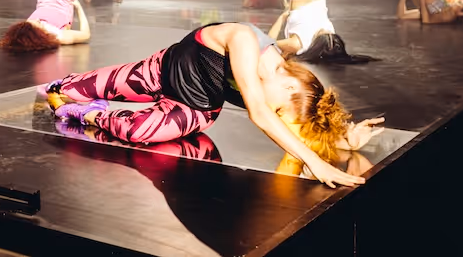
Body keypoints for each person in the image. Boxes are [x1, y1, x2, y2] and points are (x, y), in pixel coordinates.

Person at [45, 20, 383, 188]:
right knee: (69, 87)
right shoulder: (245, 41)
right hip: (162, 71)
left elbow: (295, 128)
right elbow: (260, 114)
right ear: (289, 84)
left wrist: (344, 140)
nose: (276, 115)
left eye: (280, 113)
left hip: (195, 108)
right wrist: (316, 164)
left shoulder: (279, 82)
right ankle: (78, 95)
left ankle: (91, 114)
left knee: (138, 131)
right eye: (281, 109)